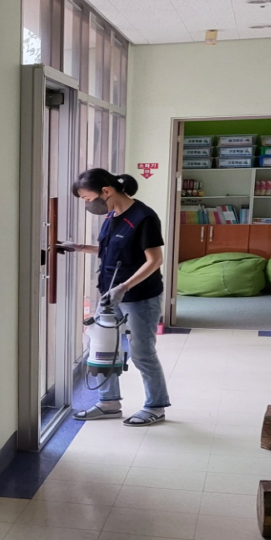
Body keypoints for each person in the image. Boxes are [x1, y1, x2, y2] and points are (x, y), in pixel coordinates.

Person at [59, 169, 171, 426]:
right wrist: (80, 247)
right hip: (109, 296)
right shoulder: (112, 215)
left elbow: (155, 260)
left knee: (141, 352)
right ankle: (108, 403)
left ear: (106, 191)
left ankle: (155, 406)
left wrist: (124, 287)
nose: (88, 204)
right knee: (103, 348)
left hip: (140, 296)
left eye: (88, 198)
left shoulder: (144, 217)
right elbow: (112, 249)